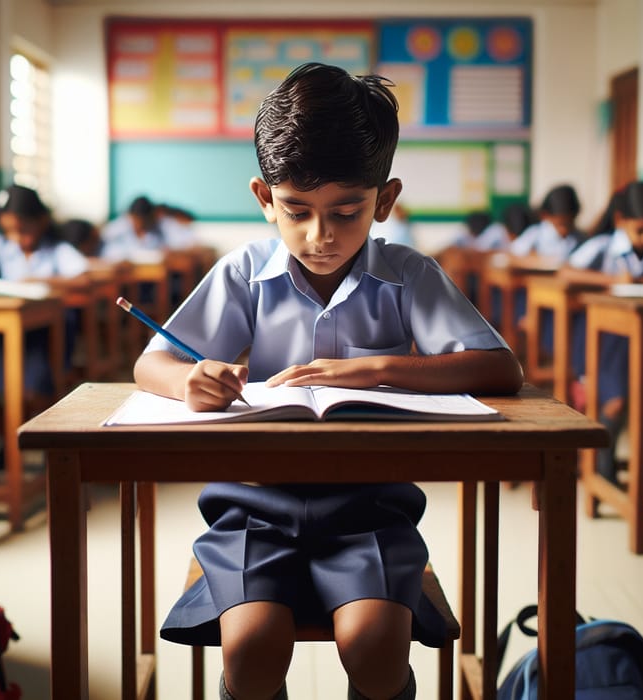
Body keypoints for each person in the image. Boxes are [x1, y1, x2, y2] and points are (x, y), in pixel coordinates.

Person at [133, 63, 523, 700]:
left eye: (348, 212)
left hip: (369, 505)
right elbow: (150, 364)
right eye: (297, 211)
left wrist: (372, 369)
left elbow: (499, 368)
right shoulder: (241, 273)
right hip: (253, 504)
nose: (322, 236)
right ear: (265, 200)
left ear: (385, 200)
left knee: (375, 647)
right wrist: (189, 380)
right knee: (254, 649)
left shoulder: (407, 273)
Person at [0, 184, 90, 467]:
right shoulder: (2, 246)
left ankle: (35, 446)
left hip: (45, 333)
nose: (17, 238)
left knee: (34, 393)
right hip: (3, 333)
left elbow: (83, 278)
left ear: (41, 221)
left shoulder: (56, 249)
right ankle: (13, 443)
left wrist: (43, 282)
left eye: (24, 229)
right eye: (10, 231)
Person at [562, 180, 643, 483]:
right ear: (620, 221)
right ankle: (604, 468)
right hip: (604, 341)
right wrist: (610, 279)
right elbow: (566, 273)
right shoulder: (603, 246)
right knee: (616, 400)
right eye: (641, 230)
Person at [100, 194, 196, 261]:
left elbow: (185, 242)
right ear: (129, 216)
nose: (139, 225)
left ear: (151, 217)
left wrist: (172, 251)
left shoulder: (161, 225)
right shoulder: (121, 225)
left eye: (143, 222)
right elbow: (103, 239)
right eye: (135, 221)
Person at [509, 184, 586, 262]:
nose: (564, 229)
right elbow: (515, 253)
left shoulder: (579, 238)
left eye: (569, 224)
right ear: (545, 216)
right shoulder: (536, 234)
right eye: (560, 224)